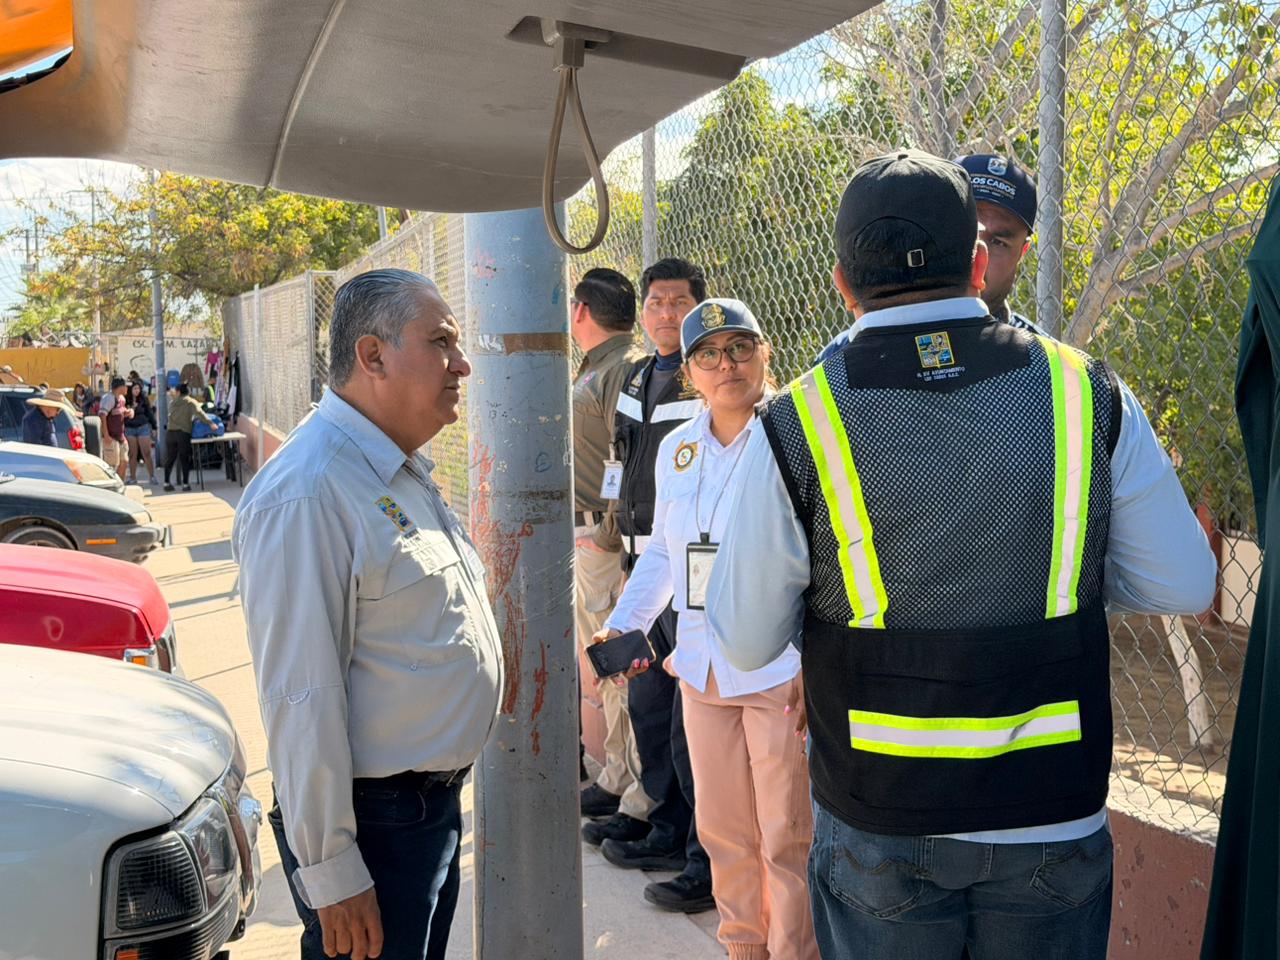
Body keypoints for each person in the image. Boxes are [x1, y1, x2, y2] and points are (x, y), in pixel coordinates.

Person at [708, 149, 1218, 960]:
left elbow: (741, 642)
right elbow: (1187, 583)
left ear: (841, 284)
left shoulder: (800, 420)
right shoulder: (1086, 390)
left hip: (880, 812)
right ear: (979, 264)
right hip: (1052, 810)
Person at [234, 268, 503, 960]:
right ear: (373, 356)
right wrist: (331, 870)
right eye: (440, 342)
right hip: (374, 827)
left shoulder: (390, 468)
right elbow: (301, 695)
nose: (462, 363)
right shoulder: (310, 490)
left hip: (418, 814)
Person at [598, 299, 818, 960]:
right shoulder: (679, 447)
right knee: (723, 830)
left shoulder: (796, 435)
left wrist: (812, 657)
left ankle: (794, 952)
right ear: (690, 371)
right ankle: (743, 945)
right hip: (700, 667)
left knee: (785, 833)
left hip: (777, 666)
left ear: (765, 353)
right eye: (709, 354)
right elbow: (666, 552)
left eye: (740, 348)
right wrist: (623, 625)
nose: (727, 365)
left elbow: (825, 556)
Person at [603, 257, 713, 912]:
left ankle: (702, 851)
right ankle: (665, 826)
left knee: (686, 722)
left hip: (689, 575)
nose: (666, 312)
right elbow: (620, 459)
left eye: (679, 302)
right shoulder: (639, 376)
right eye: (656, 301)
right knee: (647, 706)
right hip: (643, 563)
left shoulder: (705, 377)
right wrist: (618, 536)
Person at [569, 267, 655, 841]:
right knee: (605, 667)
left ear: (580, 311)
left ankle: (636, 789)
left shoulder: (622, 366)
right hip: (593, 537)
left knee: (617, 662)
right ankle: (619, 775)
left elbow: (622, 462)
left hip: (605, 541)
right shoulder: (603, 364)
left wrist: (604, 533)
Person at [815, 152, 1048, 364]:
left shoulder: (1045, 361)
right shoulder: (838, 357)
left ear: (1022, 251)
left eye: (998, 242)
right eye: (963, 234)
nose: (976, 248)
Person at [163, 382, 214, 491]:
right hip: (183, 433)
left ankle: (166, 483)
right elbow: (200, 413)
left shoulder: (172, 402)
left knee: (170, 459)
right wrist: (210, 423)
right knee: (184, 459)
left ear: (178, 392)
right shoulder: (190, 402)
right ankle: (185, 484)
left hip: (170, 433)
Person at [123, 380, 159, 484]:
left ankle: (152, 476)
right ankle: (132, 477)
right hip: (130, 428)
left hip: (142, 427)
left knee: (146, 452)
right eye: (135, 388)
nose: (137, 390)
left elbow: (149, 413)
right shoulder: (125, 400)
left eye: (138, 388)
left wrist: (154, 426)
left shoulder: (143, 399)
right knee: (132, 454)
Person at [97, 377, 129, 481]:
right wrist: (106, 435)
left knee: (124, 461)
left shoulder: (122, 399)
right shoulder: (109, 399)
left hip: (121, 436)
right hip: (111, 437)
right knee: (112, 465)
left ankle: (120, 484)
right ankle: (112, 485)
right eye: (125, 386)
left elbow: (120, 412)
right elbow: (102, 416)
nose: (127, 388)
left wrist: (128, 412)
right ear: (120, 387)